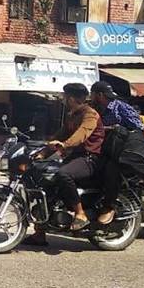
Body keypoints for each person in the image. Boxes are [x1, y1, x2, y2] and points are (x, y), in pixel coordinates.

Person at [23, 83, 104, 246]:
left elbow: (82, 134)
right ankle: (40, 232)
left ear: (71, 98)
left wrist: (65, 145)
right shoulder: (72, 115)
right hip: (75, 157)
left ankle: (80, 214)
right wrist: (42, 153)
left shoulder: (90, 114)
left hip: (90, 159)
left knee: (63, 174)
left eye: (65, 97)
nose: (63, 100)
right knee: (45, 181)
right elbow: (59, 135)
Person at [90, 81, 144, 225]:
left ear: (98, 95)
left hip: (123, 151)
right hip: (102, 149)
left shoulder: (121, 107)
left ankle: (109, 207)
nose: (91, 97)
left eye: (92, 94)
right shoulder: (94, 109)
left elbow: (143, 129)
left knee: (112, 169)